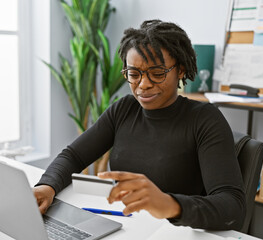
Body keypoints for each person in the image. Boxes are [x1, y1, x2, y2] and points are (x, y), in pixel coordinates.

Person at [33, 19, 246, 231]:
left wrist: (171, 205)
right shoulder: (124, 109)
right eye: (134, 74)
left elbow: (232, 206)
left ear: (180, 71)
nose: (143, 85)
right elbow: (74, 156)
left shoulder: (205, 119)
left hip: (177, 232)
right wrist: (47, 186)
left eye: (157, 73)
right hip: (127, 226)